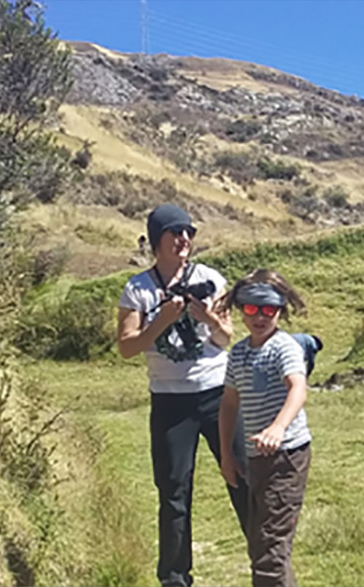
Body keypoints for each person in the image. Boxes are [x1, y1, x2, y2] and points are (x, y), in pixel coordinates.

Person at [116, 204, 251, 587]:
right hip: (170, 402)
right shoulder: (137, 289)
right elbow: (126, 347)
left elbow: (227, 339)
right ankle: (175, 578)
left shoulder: (208, 278)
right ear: (156, 240)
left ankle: (267, 563)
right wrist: (162, 320)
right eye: (174, 233)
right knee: (174, 490)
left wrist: (206, 317)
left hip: (217, 395)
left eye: (189, 232)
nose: (184, 240)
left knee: (240, 475)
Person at [218, 268, 314, 587]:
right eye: (251, 309)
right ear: (241, 310)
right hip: (254, 458)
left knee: (271, 550)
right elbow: (229, 404)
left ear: (280, 310)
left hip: (287, 457)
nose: (259, 317)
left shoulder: (284, 347)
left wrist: (278, 427)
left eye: (268, 310)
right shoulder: (240, 353)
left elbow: (297, 388)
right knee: (261, 544)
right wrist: (227, 457)